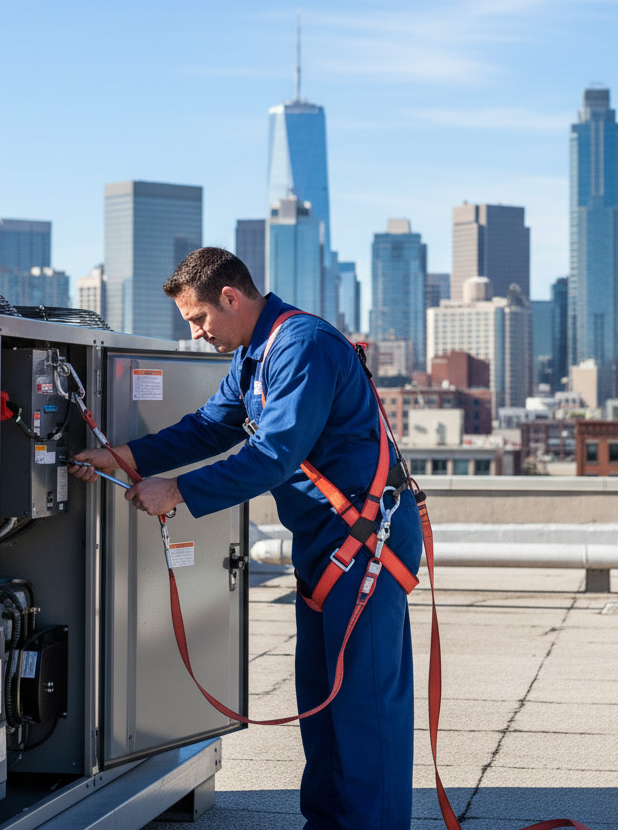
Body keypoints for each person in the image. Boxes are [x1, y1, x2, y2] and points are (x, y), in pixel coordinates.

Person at [69, 246, 421, 830]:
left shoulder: (302, 345)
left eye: (199, 318)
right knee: (323, 701)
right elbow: (209, 428)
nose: (196, 332)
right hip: (328, 543)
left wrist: (175, 491)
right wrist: (121, 456)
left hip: (365, 544)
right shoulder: (255, 356)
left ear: (230, 297)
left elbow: (273, 455)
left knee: (364, 705)